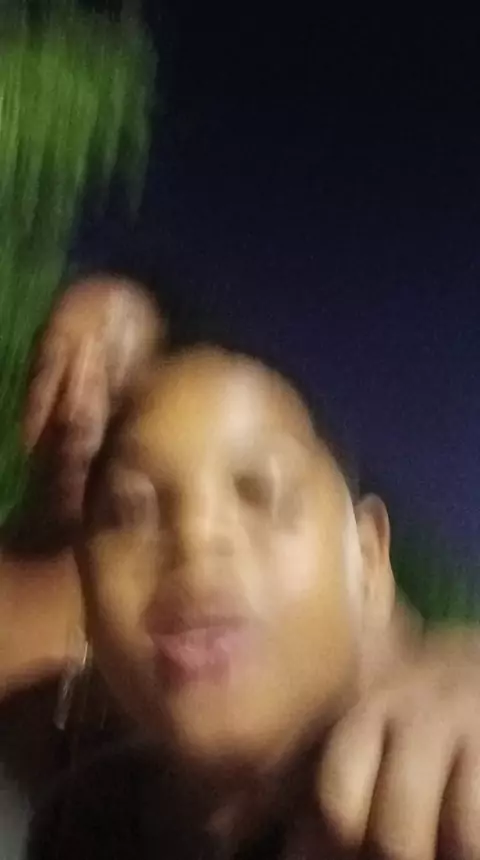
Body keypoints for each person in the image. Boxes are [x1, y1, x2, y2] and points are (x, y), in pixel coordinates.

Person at [25, 339, 480, 860]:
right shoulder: (83, 817)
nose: (195, 539)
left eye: (265, 492)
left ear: (370, 558)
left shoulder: (452, 780)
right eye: (131, 510)